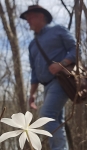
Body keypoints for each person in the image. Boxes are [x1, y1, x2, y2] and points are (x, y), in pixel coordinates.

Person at [20, 5, 76, 150]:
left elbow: (76, 49)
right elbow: (34, 72)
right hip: (46, 86)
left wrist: (62, 64)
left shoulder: (58, 30)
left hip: (61, 81)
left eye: (30, 17)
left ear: (41, 16)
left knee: (46, 116)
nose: (27, 21)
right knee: (55, 119)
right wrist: (31, 94)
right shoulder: (32, 45)